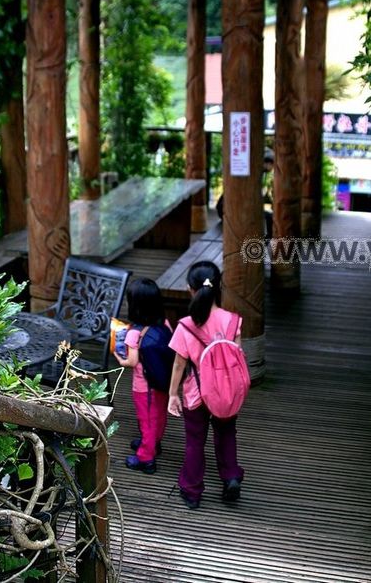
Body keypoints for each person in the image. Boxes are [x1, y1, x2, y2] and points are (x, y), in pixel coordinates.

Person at [166, 261, 244, 509]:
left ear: (191, 289)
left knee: (194, 441)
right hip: (226, 393)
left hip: (196, 394)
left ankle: (192, 490)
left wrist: (172, 395)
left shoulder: (186, 326)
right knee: (226, 434)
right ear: (218, 287)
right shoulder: (233, 321)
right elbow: (237, 357)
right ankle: (230, 476)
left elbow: (179, 365)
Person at [113, 278, 172, 474]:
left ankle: (146, 458)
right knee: (159, 415)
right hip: (163, 381)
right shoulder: (165, 324)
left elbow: (131, 362)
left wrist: (117, 355)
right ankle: (154, 442)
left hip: (144, 387)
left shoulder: (133, 333)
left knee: (146, 420)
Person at [214, 148, 274, 239]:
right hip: (228, 211)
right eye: (272, 164)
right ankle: (266, 238)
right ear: (266, 163)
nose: (272, 168)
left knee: (266, 216)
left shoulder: (253, 171)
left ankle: (266, 238)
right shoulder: (250, 173)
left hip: (229, 209)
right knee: (268, 217)